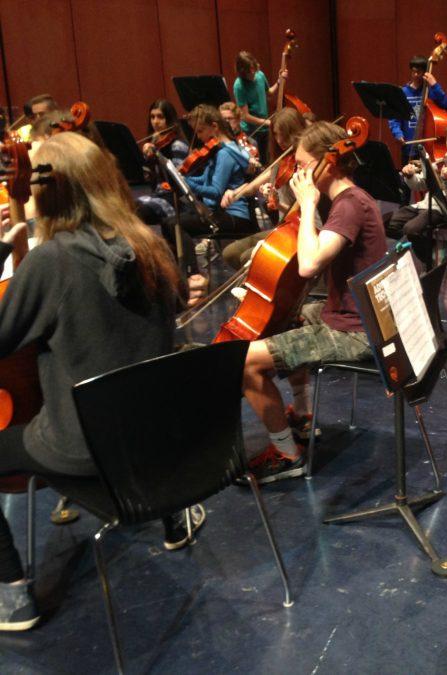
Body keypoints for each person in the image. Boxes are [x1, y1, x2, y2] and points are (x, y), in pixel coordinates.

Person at [0, 133, 204, 631]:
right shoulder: (150, 243)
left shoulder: (53, 261)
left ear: (50, 192)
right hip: (164, 449)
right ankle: (175, 516)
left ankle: (11, 596)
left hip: (90, 457)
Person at [240, 121, 387, 484]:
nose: (297, 172)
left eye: (304, 164)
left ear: (328, 164)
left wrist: (307, 204)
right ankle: (303, 414)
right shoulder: (350, 200)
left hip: (356, 331)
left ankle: (287, 454)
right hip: (350, 315)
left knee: (244, 363)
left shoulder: (349, 206)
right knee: (286, 317)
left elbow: (309, 265)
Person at [159, 104, 256, 292]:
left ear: (215, 126)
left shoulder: (226, 154)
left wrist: (187, 183)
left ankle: (193, 274)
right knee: (169, 222)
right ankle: (182, 274)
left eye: (201, 131)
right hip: (219, 211)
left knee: (174, 224)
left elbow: (216, 191)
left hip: (235, 215)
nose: (200, 137)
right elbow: (205, 179)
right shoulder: (218, 150)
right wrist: (183, 178)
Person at [220, 107, 314, 272]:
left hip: (299, 230)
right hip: (282, 228)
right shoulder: (283, 161)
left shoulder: (308, 167)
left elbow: (305, 214)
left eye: (285, 135)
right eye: (276, 135)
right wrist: (234, 193)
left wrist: (278, 205)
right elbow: (253, 186)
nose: (280, 140)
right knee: (230, 253)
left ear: (298, 131)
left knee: (246, 258)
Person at [383, 119, 447, 267]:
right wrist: (410, 176)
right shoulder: (444, 158)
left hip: (446, 209)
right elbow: (421, 184)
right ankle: (433, 247)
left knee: (410, 229)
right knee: (386, 224)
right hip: (426, 204)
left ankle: (431, 261)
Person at [388, 55, 447, 166]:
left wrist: (434, 85)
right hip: (409, 146)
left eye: (419, 72)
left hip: (428, 147)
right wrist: (397, 133)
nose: (416, 75)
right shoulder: (402, 92)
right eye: (413, 72)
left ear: (425, 73)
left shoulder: (430, 91)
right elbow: (394, 118)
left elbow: (446, 104)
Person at [135, 99, 189, 227]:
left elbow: (178, 181)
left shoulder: (177, 145)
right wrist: (147, 160)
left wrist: (158, 157)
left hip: (174, 200)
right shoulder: (155, 143)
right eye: (152, 117)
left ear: (169, 119)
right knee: (127, 207)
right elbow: (148, 179)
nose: (155, 121)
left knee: (139, 212)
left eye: (160, 117)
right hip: (158, 194)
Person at [232, 50, 287, 164]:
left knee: (268, 161)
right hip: (251, 131)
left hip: (265, 129)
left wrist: (279, 81)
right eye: (250, 72)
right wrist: (266, 122)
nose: (253, 74)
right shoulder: (239, 86)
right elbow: (245, 116)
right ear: (242, 72)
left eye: (254, 70)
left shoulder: (260, 75)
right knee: (257, 163)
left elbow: (269, 93)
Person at [220, 101, 261, 174]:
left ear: (238, 120)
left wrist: (252, 171)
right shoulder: (218, 143)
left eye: (230, 118)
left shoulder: (251, 143)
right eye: (224, 119)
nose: (226, 122)